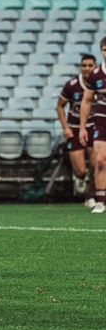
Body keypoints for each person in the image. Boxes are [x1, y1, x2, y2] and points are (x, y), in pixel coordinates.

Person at [57, 54, 97, 205]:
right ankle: (80, 179)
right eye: (84, 65)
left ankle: (90, 196)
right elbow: (59, 106)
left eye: (90, 65)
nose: (87, 68)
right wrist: (65, 127)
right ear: (81, 67)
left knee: (96, 165)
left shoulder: (100, 84)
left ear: (95, 67)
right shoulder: (71, 85)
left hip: (93, 129)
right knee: (80, 171)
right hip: (74, 130)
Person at [79, 36, 106, 214]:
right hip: (101, 122)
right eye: (105, 49)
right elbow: (86, 101)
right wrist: (82, 127)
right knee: (100, 160)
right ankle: (101, 201)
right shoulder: (95, 74)